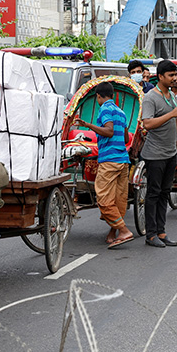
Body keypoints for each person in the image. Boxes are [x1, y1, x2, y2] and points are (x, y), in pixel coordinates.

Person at [75, 82, 133, 248]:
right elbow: (126, 138)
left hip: (110, 160)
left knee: (103, 199)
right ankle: (113, 232)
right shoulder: (121, 112)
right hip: (123, 160)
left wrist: (89, 126)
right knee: (118, 199)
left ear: (99, 96)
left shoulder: (105, 109)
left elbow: (109, 131)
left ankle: (123, 230)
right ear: (113, 95)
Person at [140, 60, 177, 248]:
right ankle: (150, 234)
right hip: (155, 154)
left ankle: (161, 231)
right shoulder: (151, 97)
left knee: (165, 192)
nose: (174, 79)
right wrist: (171, 114)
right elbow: (147, 124)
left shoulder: (170, 96)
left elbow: (174, 124)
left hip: (170, 153)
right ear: (160, 77)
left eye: (175, 75)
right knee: (154, 193)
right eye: (171, 75)